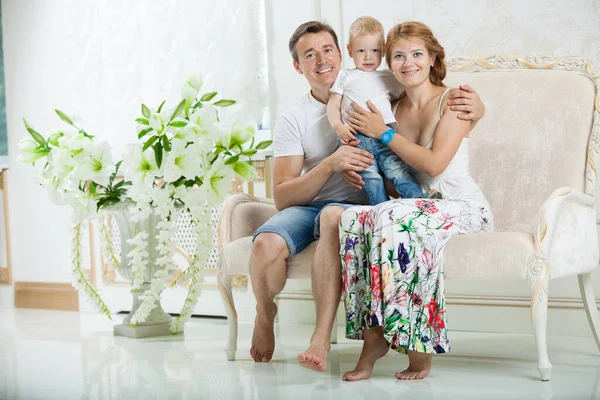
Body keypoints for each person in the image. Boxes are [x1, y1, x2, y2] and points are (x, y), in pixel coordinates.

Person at [248, 21, 486, 373]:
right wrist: (336, 164)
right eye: (309, 55)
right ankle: (356, 333)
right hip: (353, 203)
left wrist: (479, 111)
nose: (321, 60)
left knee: (367, 216)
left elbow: (430, 156)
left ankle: (399, 340)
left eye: (327, 50)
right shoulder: (375, 107)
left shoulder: (404, 94)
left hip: (419, 203)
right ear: (297, 66)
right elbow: (285, 194)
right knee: (354, 221)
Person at [338, 21, 494, 381]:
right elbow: (394, 179)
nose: (408, 63)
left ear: (433, 57)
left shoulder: (454, 100)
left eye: (417, 54)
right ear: (389, 64)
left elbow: (435, 164)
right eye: (398, 56)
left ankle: (419, 345)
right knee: (353, 219)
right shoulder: (389, 107)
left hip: (462, 207)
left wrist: (385, 133)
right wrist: (357, 170)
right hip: (418, 205)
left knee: (393, 215)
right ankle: (373, 336)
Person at [327, 16, 424, 205]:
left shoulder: (388, 77)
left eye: (374, 51)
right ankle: (381, 211)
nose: (368, 57)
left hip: (385, 136)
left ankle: (419, 201)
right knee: (371, 178)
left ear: (383, 51)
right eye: (361, 51)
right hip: (356, 139)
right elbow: (333, 103)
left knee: (397, 170)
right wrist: (338, 126)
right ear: (349, 50)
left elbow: (406, 95)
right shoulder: (345, 76)